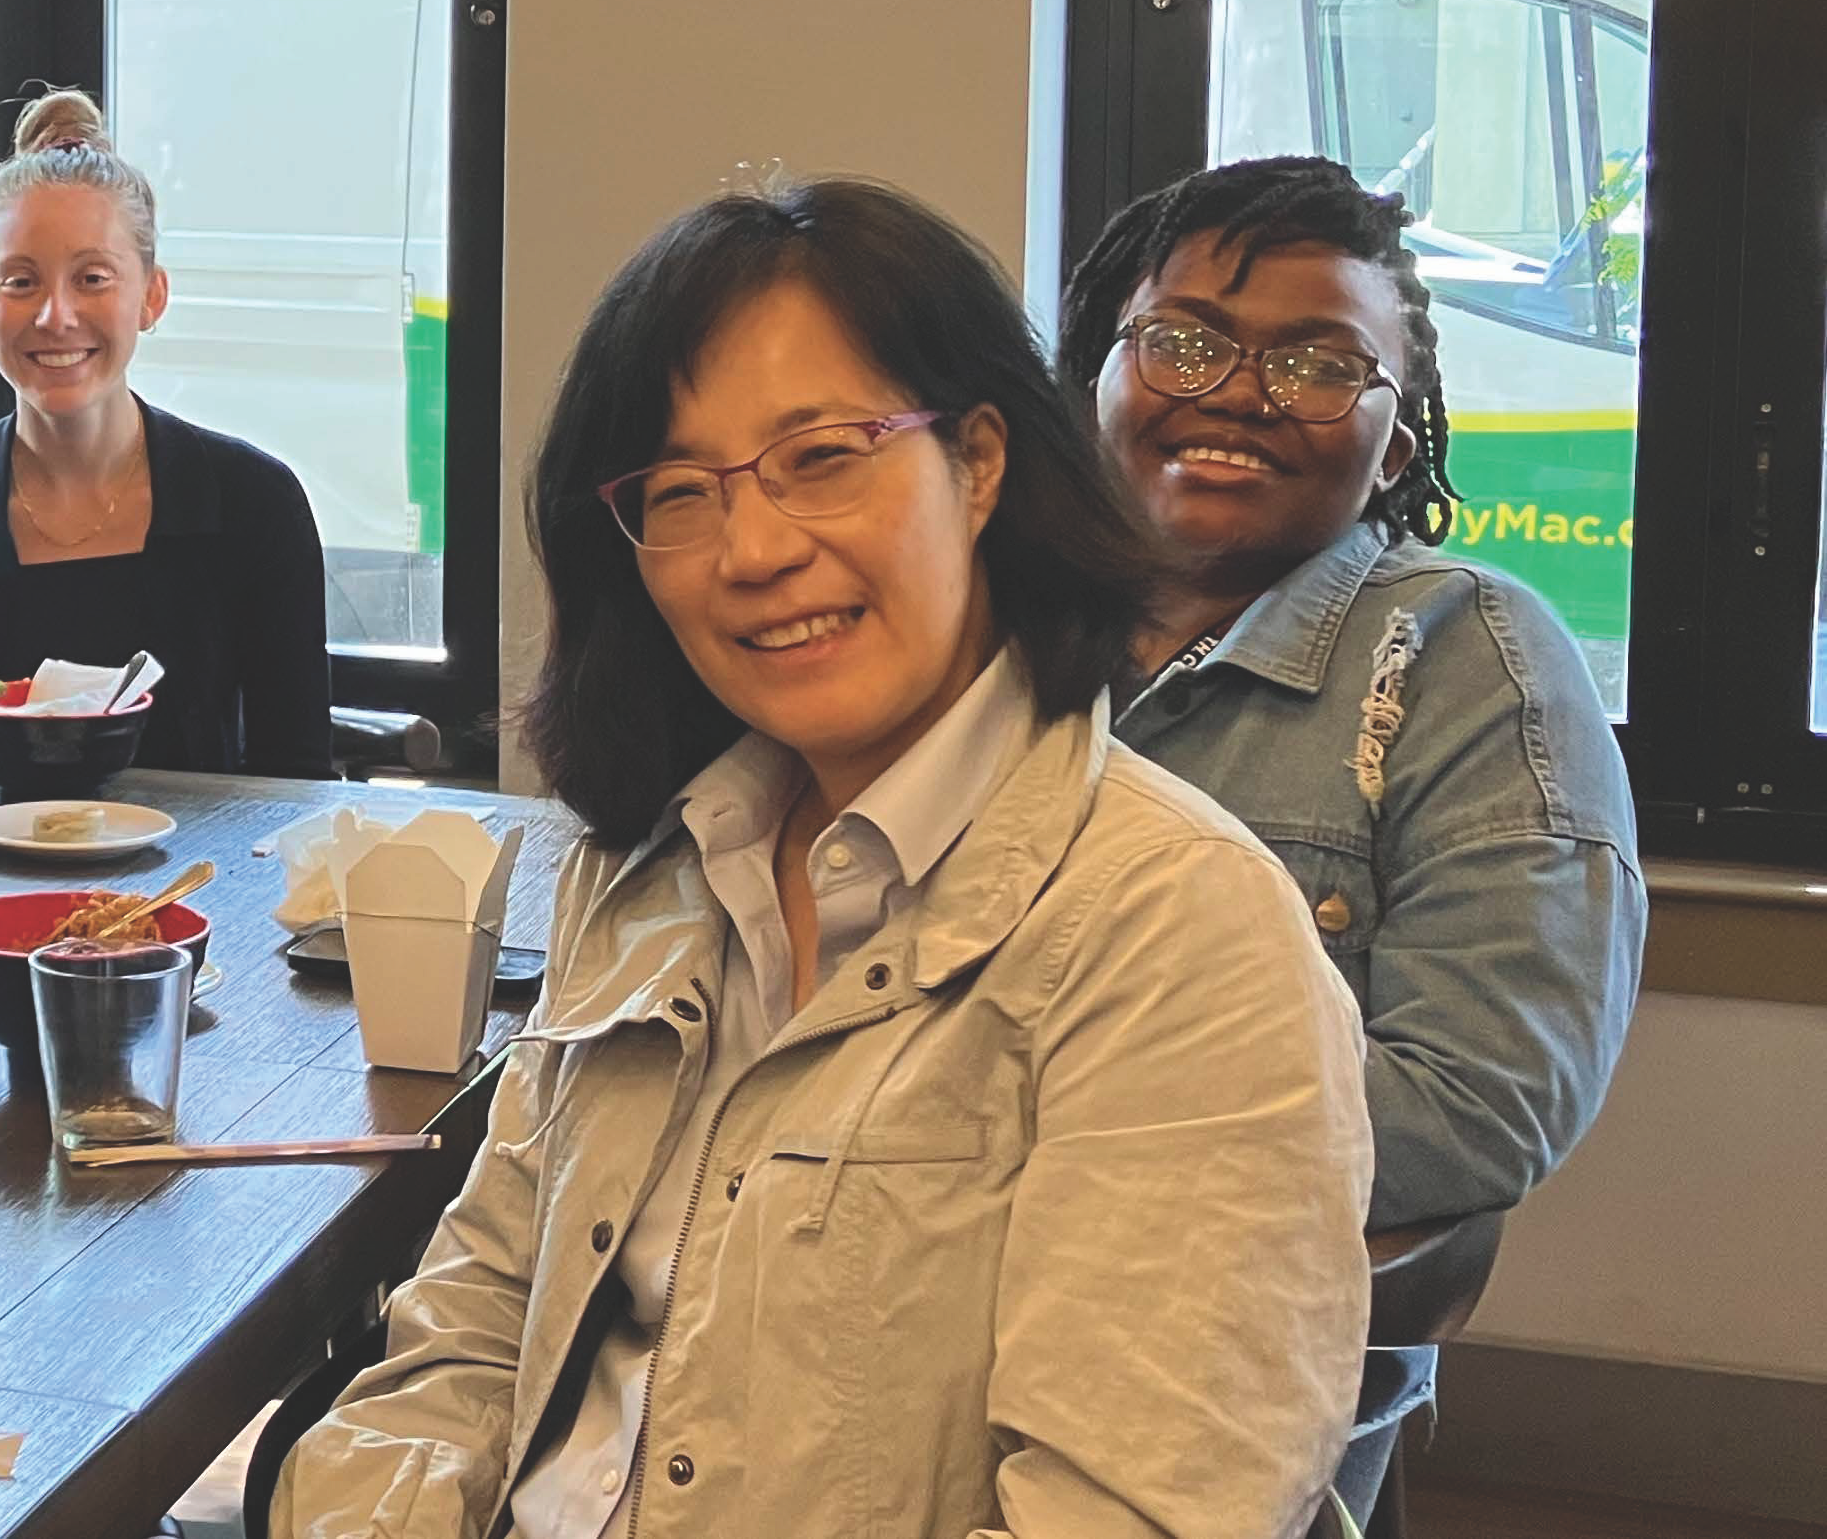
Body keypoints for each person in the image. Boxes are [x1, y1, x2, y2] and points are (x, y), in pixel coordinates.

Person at [278, 178, 1373, 1535]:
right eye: (680, 489)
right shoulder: (644, 871)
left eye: (824, 456)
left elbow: (1129, 1512)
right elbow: (476, 1319)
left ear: (978, 463)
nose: (753, 548)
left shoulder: (1179, 933)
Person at [1059, 155, 1645, 1523]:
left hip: (1218, 1376)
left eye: (1323, 365)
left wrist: (1027, 1133)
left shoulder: (1465, 659)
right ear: (1097, 377)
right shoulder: (972, 645)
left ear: (1394, 441)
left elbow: (1479, 1099)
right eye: (1184, 342)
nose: (1241, 395)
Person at [0, 90, 333, 778]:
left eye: (93, 278)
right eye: (20, 281)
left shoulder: (252, 504)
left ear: (152, 296)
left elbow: (295, 789)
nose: (56, 315)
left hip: (198, 885)